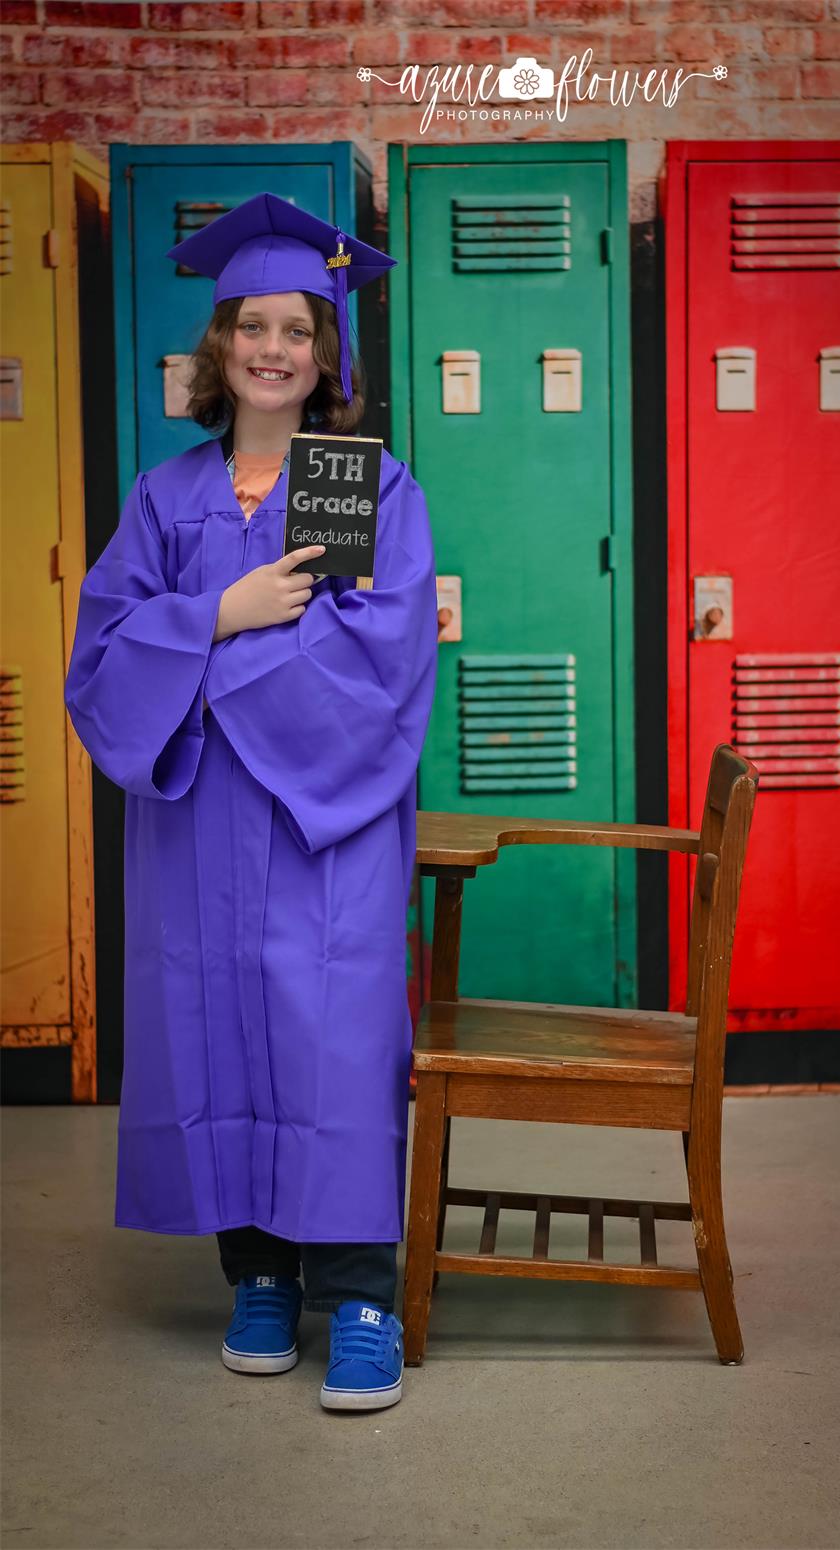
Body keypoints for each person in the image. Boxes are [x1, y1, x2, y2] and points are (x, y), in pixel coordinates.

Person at [63, 193, 439, 1413]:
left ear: (327, 355)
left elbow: (372, 661)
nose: (274, 349)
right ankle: (259, 1275)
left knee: (328, 1042)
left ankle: (364, 1293)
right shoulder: (167, 496)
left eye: (298, 330)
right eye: (252, 328)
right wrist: (213, 617)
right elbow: (104, 656)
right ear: (218, 349)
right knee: (216, 1031)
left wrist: (199, 668)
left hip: (312, 820)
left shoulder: (350, 484)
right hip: (196, 822)